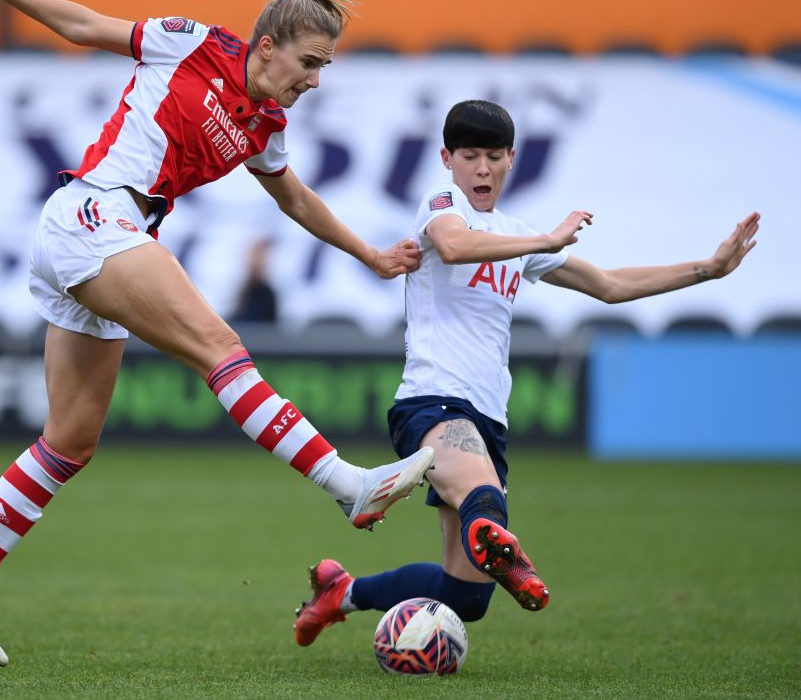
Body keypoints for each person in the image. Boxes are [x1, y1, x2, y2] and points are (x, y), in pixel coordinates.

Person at [0, 0, 434, 668]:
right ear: (266, 46)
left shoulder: (266, 123)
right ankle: (347, 484)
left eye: (325, 67)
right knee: (220, 350)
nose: (315, 80)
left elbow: (294, 197)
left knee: (70, 441)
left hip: (101, 237)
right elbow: (84, 24)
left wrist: (371, 254)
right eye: (310, 62)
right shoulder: (191, 41)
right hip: (94, 213)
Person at [293, 99, 759, 645]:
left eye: (494, 156)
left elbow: (610, 285)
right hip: (432, 403)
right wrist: (547, 239)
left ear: (513, 159)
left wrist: (708, 268)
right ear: (447, 157)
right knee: (484, 500)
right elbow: (452, 244)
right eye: (469, 155)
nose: (482, 168)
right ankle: (499, 541)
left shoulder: (515, 235)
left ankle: (341, 593)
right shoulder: (441, 205)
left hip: (487, 417)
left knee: (465, 597)